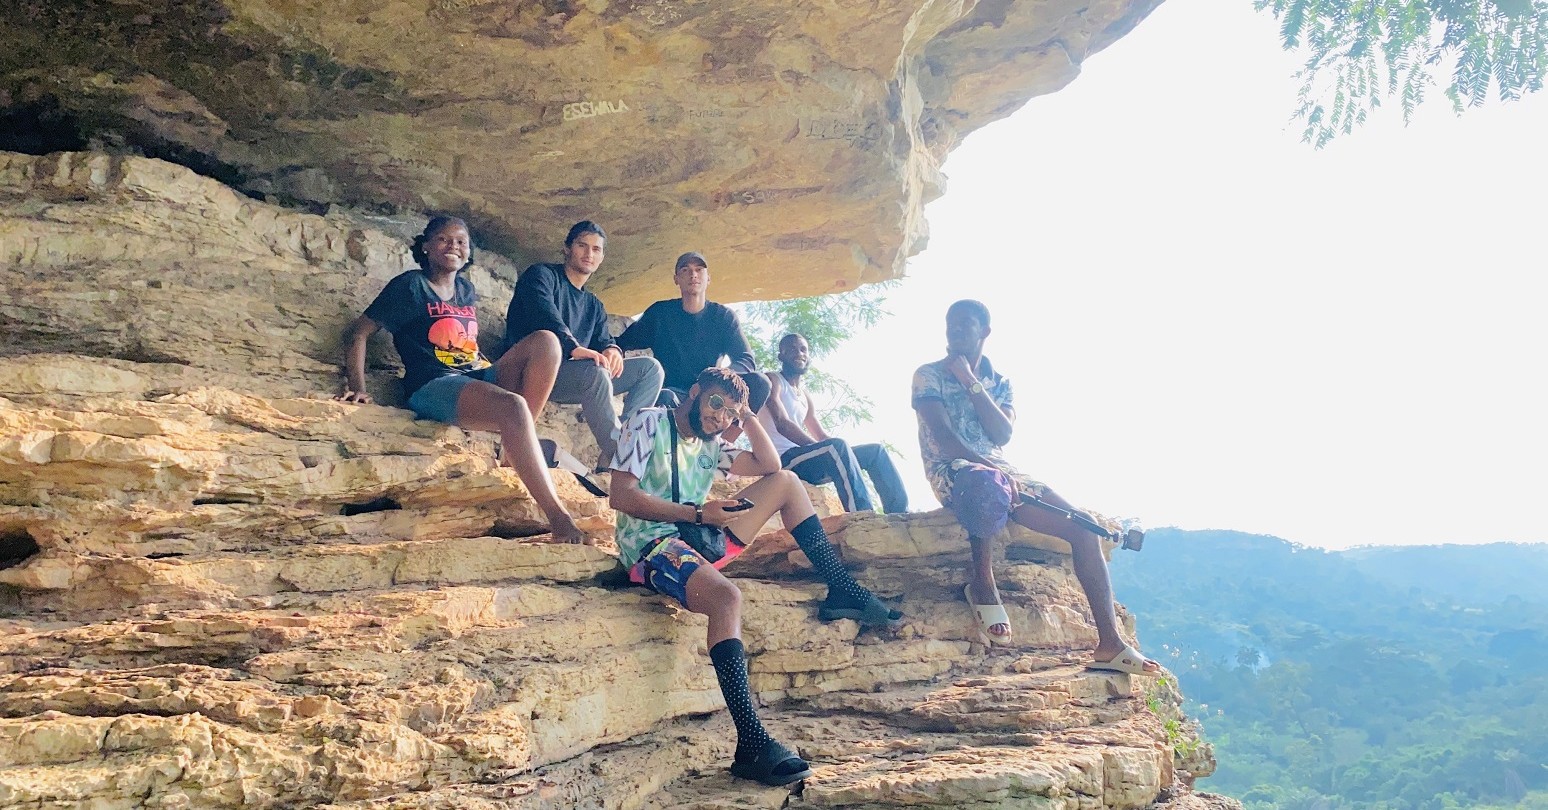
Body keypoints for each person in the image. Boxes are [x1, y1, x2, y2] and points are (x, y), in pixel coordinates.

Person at [607, 367, 903, 786]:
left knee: (786, 482)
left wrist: (745, 416)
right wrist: (696, 513)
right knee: (727, 599)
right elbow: (621, 495)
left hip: (698, 538)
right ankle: (750, 743)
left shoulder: (714, 443)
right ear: (694, 392)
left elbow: (770, 463)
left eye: (728, 412)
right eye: (714, 403)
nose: (718, 417)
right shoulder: (650, 422)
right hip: (651, 546)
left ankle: (842, 588)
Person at [911, 299, 1157, 675]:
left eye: (964, 325)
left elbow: (1002, 433)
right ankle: (982, 584)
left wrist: (970, 382)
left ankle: (1110, 643)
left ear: (984, 332)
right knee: (986, 483)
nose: (955, 331)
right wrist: (993, 469)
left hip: (1006, 470)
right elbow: (943, 438)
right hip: (955, 470)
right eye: (950, 325)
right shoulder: (927, 375)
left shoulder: (999, 382)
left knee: (1082, 525)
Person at [336, 216, 588, 545]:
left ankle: (512, 451)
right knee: (512, 406)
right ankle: (558, 518)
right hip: (433, 385)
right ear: (425, 246)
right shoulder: (411, 286)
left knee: (547, 342)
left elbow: (464, 344)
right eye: (443, 239)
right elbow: (358, 333)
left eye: (461, 242)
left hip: (474, 372)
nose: (453, 246)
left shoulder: (466, 290)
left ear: (468, 253)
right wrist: (358, 387)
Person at [504, 220, 663, 472]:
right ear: (567, 248)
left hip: (575, 379)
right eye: (582, 245)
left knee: (650, 369)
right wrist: (572, 347)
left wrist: (612, 350)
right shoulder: (541, 275)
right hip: (534, 373)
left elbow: (603, 339)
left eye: (596, 249)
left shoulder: (594, 305)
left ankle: (629, 437)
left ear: (602, 257)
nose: (589, 254)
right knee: (594, 371)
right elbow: (543, 314)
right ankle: (620, 453)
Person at [758, 333, 908, 514]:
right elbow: (782, 423)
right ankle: (861, 515)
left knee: (875, 452)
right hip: (784, 460)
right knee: (836, 446)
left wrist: (842, 454)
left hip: (808, 460)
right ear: (780, 356)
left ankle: (900, 514)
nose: (799, 353)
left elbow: (821, 436)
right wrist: (829, 449)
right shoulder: (773, 380)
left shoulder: (805, 396)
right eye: (791, 349)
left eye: (803, 349)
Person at [615, 251, 771, 413]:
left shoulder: (723, 317)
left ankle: (725, 438)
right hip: (670, 393)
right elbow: (622, 343)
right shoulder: (660, 313)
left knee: (759, 382)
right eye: (685, 270)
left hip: (709, 393)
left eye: (699, 270)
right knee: (664, 398)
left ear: (708, 278)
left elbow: (746, 359)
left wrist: (713, 380)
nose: (693, 274)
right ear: (676, 279)